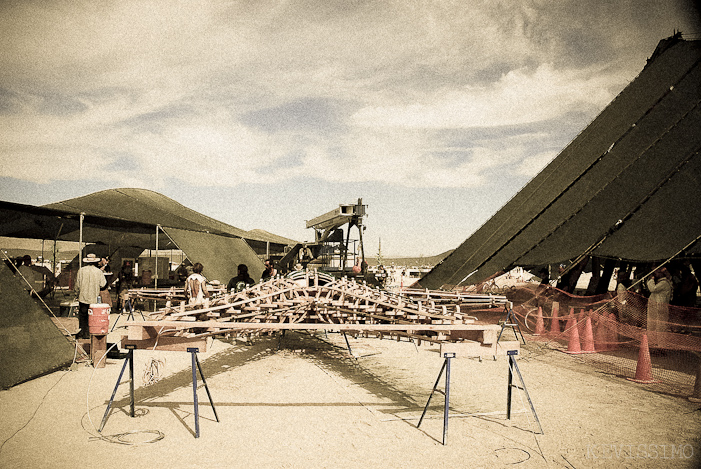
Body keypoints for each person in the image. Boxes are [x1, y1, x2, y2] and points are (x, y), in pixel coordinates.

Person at [75, 253, 106, 339]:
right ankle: (90, 335)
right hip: (94, 300)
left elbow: (77, 285)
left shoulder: (81, 271)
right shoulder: (98, 272)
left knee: (83, 318)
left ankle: (83, 334)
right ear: (95, 262)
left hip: (83, 298)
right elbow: (103, 284)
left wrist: (76, 294)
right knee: (92, 319)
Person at [646, 266, 672, 347]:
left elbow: (653, 289)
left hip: (660, 307)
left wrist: (651, 280)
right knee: (652, 325)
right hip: (656, 307)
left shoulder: (664, 283)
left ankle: (661, 345)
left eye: (657, 272)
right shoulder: (661, 282)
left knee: (660, 327)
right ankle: (653, 343)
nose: (655, 274)